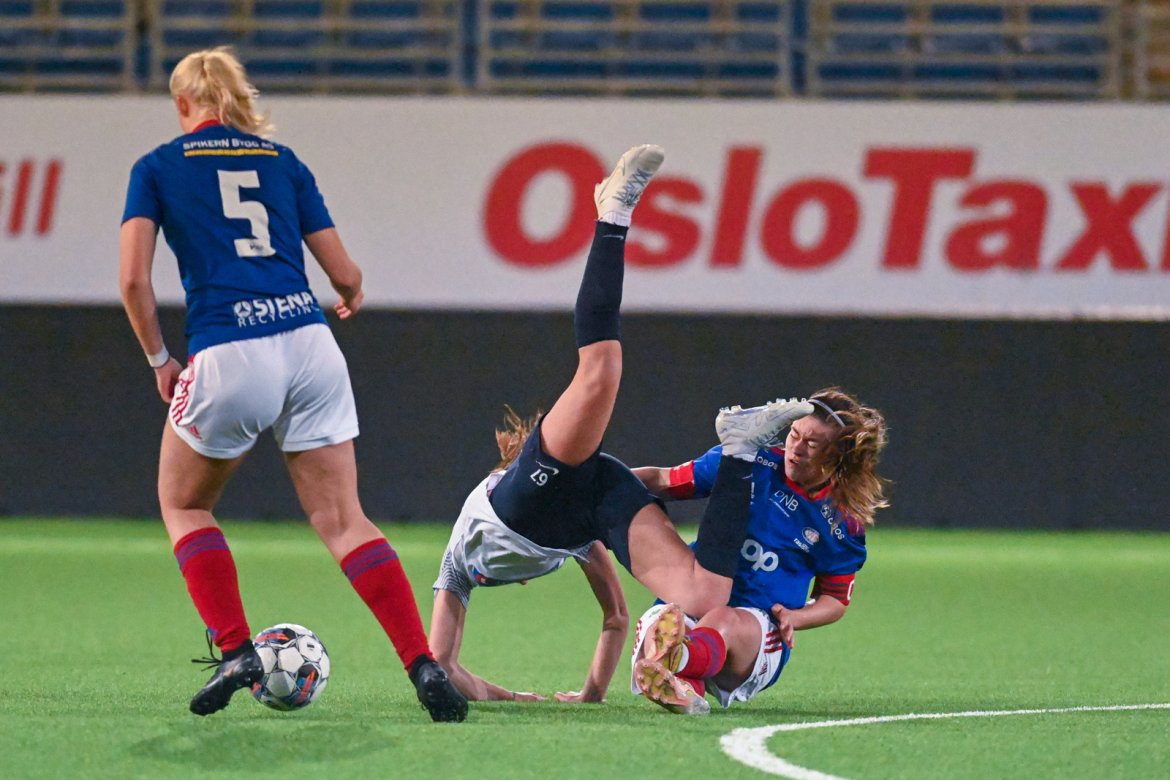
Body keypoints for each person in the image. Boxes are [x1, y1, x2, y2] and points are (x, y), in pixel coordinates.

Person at [118, 47, 467, 722]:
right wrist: (351, 293)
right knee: (344, 519)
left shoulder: (156, 166)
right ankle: (422, 662)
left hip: (228, 346)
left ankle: (234, 649)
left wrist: (161, 358)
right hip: (310, 345)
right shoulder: (283, 161)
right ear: (239, 100)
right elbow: (345, 273)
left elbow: (134, 280)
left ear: (184, 104)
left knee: (185, 505)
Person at [428, 143, 814, 702]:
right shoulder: (569, 547)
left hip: (530, 503)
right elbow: (614, 618)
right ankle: (740, 452)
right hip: (590, 503)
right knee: (705, 598)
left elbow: (442, 664)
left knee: (600, 371)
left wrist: (511, 699)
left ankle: (613, 212)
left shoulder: (461, 558)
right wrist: (583, 696)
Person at [628, 389, 889, 714]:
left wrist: (795, 617)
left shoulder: (841, 521)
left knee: (722, 619)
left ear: (837, 455)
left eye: (812, 444)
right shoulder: (748, 461)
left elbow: (835, 600)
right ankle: (684, 688)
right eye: (794, 434)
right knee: (662, 622)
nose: (796, 448)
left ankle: (676, 659)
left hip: (758, 633)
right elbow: (665, 479)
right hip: (693, 602)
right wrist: (602, 481)